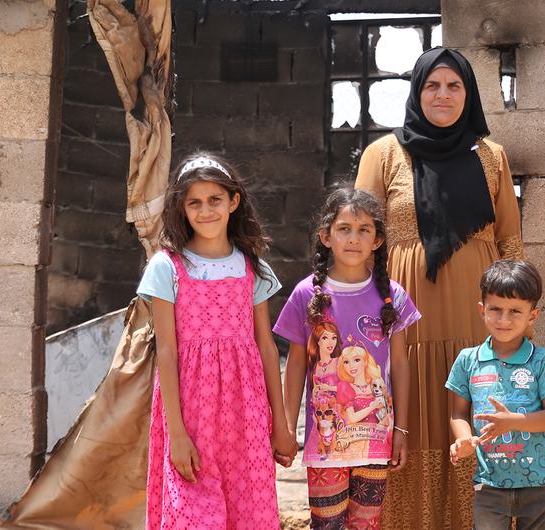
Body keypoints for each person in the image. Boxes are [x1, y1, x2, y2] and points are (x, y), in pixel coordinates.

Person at [355, 47, 525, 529]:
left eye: (454, 86)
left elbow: (510, 240)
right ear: (416, 91)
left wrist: (517, 323)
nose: (443, 95)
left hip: (478, 321)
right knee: (412, 412)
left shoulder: (491, 157)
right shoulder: (384, 154)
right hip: (405, 325)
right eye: (432, 85)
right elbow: (360, 238)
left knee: (472, 412)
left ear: (468, 94)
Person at [137, 153, 298, 529]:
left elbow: (266, 347)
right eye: (194, 202)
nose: (205, 210)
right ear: (182, 207)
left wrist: (280, 424)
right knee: (192, 516)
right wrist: (176, 433)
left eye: (215, 200)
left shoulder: (250, 266)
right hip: (191, 417)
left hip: (247, 415)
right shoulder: (167, 266)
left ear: (233, 202)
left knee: (249, 512)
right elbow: (167, 350)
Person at [276, 187, 421, 529]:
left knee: (366, 525)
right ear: (326, 236)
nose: (353, 239)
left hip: (375, 441)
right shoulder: (306, 294)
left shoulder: (393, 296)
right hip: (325, 442)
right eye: (344, 229)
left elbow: (399, 364)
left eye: (364, 230)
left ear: (377, 240)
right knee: (326, 525)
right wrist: (283, 427)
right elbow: (295, 365)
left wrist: (400, 429)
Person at [446, 260, 545, 530]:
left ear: (532, 316)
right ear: (482, 310)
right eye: (496, 309)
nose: (504, 320)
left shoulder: (544, 361)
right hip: (489, 483)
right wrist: (464, 439)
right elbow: (458, 413)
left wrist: (513, 421)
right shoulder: (468, 360)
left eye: (515, 311)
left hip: (539, 481)